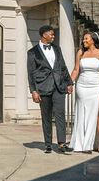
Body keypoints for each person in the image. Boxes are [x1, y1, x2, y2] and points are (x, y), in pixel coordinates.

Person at [27, 25, 73, 154]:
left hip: (59, 86)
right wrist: (33, 91)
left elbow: (62, 66)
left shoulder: (57, 48)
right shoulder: (32, 52)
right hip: (43, 87)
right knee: (46, 116)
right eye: (51, 34)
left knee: (60, 114)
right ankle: (47, 144)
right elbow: (30, 73)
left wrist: (69, 83)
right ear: (44, 35)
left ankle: (62, 143)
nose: (54, 36)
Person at [68, 31, 99, 154]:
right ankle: (84, 144)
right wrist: (69, 82)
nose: (84, 41)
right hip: (82, 86)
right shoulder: (81, 53)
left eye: (86, 39)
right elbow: (76, 70)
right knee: (83, 114)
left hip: (97, 86)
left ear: (93, 40)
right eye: (83, 39)